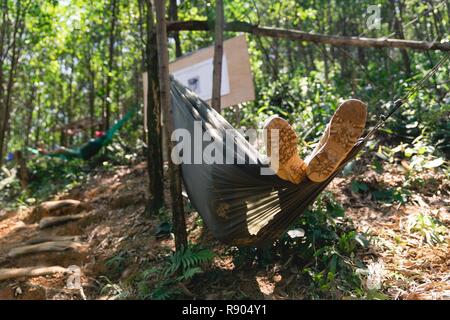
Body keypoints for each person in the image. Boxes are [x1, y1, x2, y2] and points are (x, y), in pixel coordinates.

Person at [264, 99, 367, 184]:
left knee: (278, 169)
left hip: (284, 187)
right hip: (297, 187)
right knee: (279, 169)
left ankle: (295, 171)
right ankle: (300, 169)